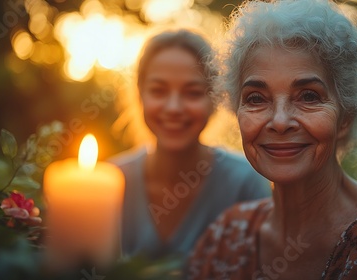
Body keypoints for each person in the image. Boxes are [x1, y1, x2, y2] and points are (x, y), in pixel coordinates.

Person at [188, 0, 357, 279]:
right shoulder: (224, 239)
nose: (280, 121)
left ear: (345, 116)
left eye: (308, 96)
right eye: (256, 98)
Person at [110, 29, 272, 263]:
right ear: (140, 95)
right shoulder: (108, 181)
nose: (174, 107)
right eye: (159, 91)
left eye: (192, 93)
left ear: (215, 101)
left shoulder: (245, 183)